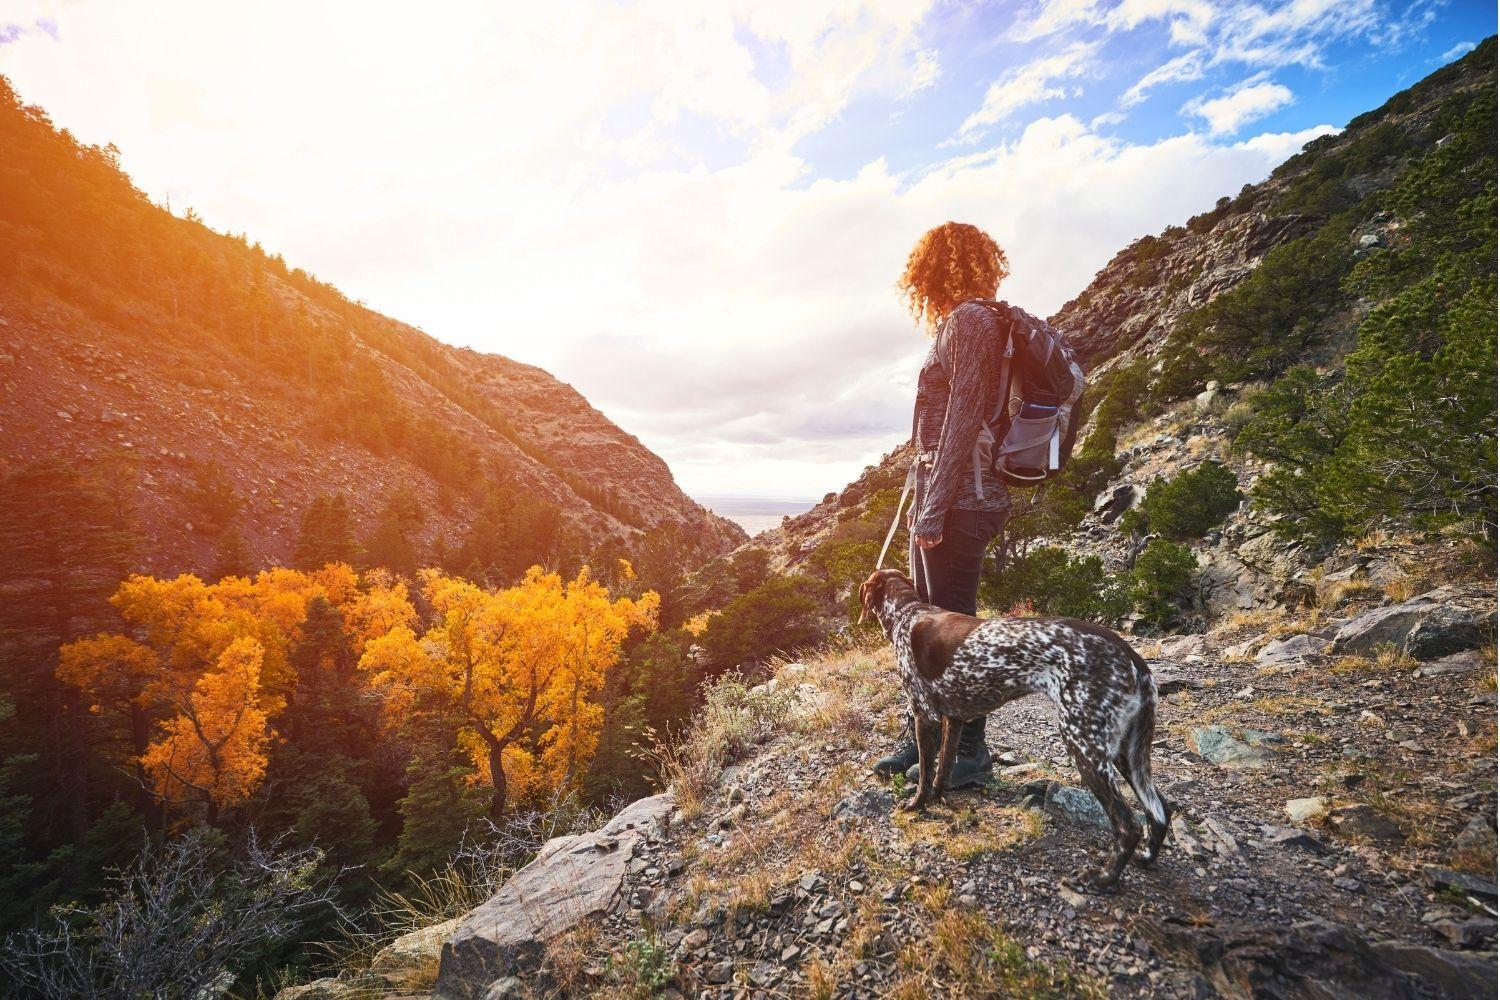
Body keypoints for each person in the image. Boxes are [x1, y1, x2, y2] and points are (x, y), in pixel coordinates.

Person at [872, 221, 1013, 788]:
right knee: (929, 629)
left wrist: (932, 509)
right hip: (952, 494)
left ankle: (970, 754)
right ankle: (923, 742)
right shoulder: (972, 322)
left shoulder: (971, 322)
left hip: (961, 500)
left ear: (930, 270)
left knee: (955, 635)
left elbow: (962, 422)